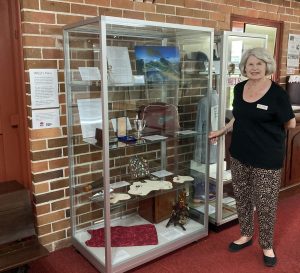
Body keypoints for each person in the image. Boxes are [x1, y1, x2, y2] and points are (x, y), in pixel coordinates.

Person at [209, 47, 296, 267]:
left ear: (267, 66)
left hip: (267, 158)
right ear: (244, 67)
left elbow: (290, 123)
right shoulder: (238, 89)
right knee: (243, 197)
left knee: (265, 204)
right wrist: (222, 131)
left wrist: (265, 132)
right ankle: (246, 234)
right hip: (239, 153)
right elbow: (238, 117)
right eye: (250, 64)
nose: (255, 68)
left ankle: (266, 245)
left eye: (259, 63)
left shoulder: (278, 94)